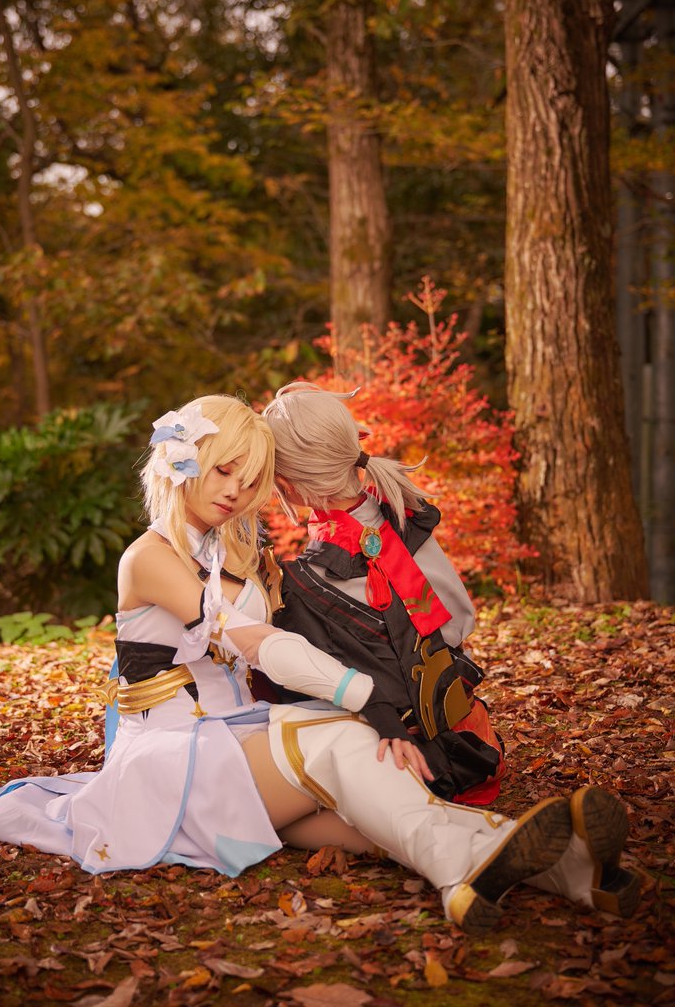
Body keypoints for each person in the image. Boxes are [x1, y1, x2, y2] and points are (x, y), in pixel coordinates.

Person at [0, 395, 591, 932]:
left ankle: (573, 871)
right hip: (173, 762)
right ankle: (470, 871)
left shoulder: (230, 549)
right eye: (223, 470)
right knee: (348, 740)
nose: (235, 492)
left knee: (377, 812)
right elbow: (256, 643)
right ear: (183, 461)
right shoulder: (149, 557)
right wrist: (372, 701)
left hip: (231, 747)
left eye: (251, 481)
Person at [261, 382, 641, 919]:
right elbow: (459, 620)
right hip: (469, 744)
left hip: (399, 759)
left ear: (288, 483)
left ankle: (519, 861)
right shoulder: (405, 516)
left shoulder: (302, 582)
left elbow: (305, 685)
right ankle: (579, 871)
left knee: (286, 803)